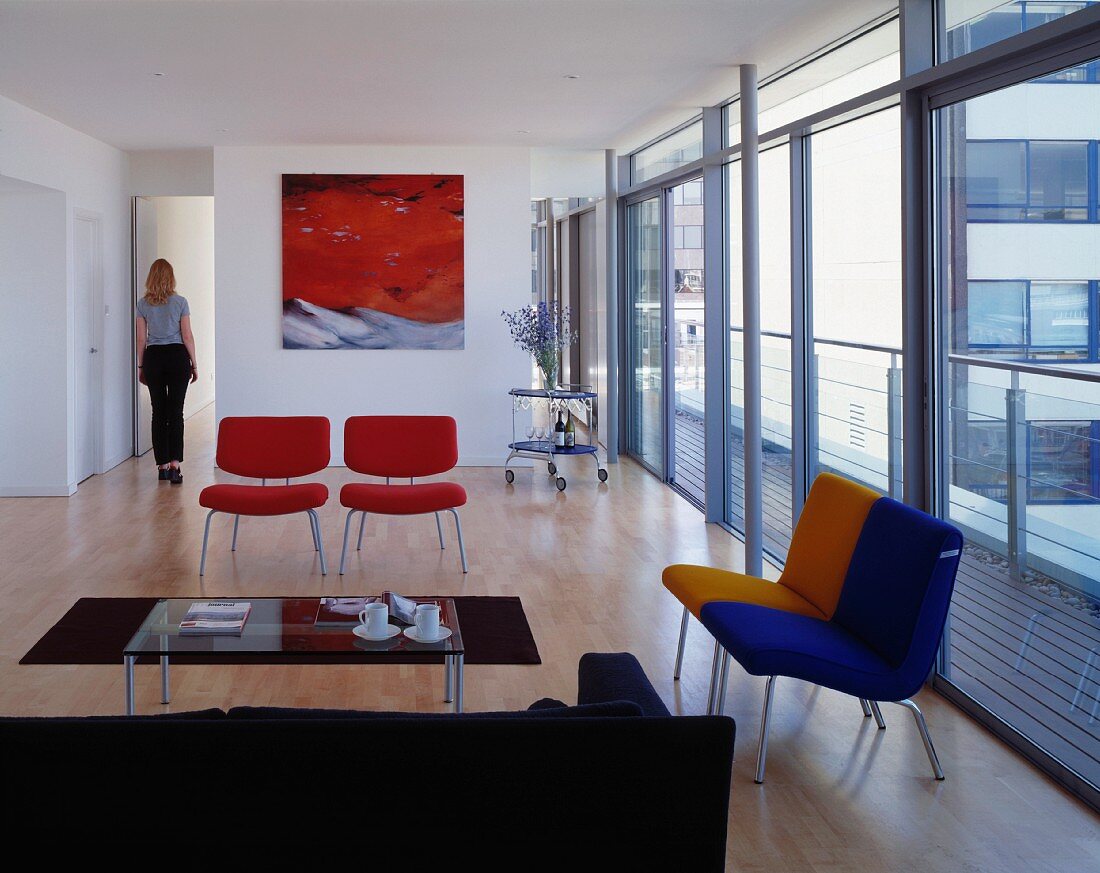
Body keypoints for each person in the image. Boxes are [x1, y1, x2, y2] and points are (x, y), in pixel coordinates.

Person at [136, 259, 198, 484]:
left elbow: (142, 338)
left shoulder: (143, 304)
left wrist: (141, 366)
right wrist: (194, 364)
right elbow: (187, 335)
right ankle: (175, 465)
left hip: (154, 358)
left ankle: (161, 466)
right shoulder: (180, 302)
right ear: (171, 277)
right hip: (177, 357)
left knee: (158, 412)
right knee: (176, 412)